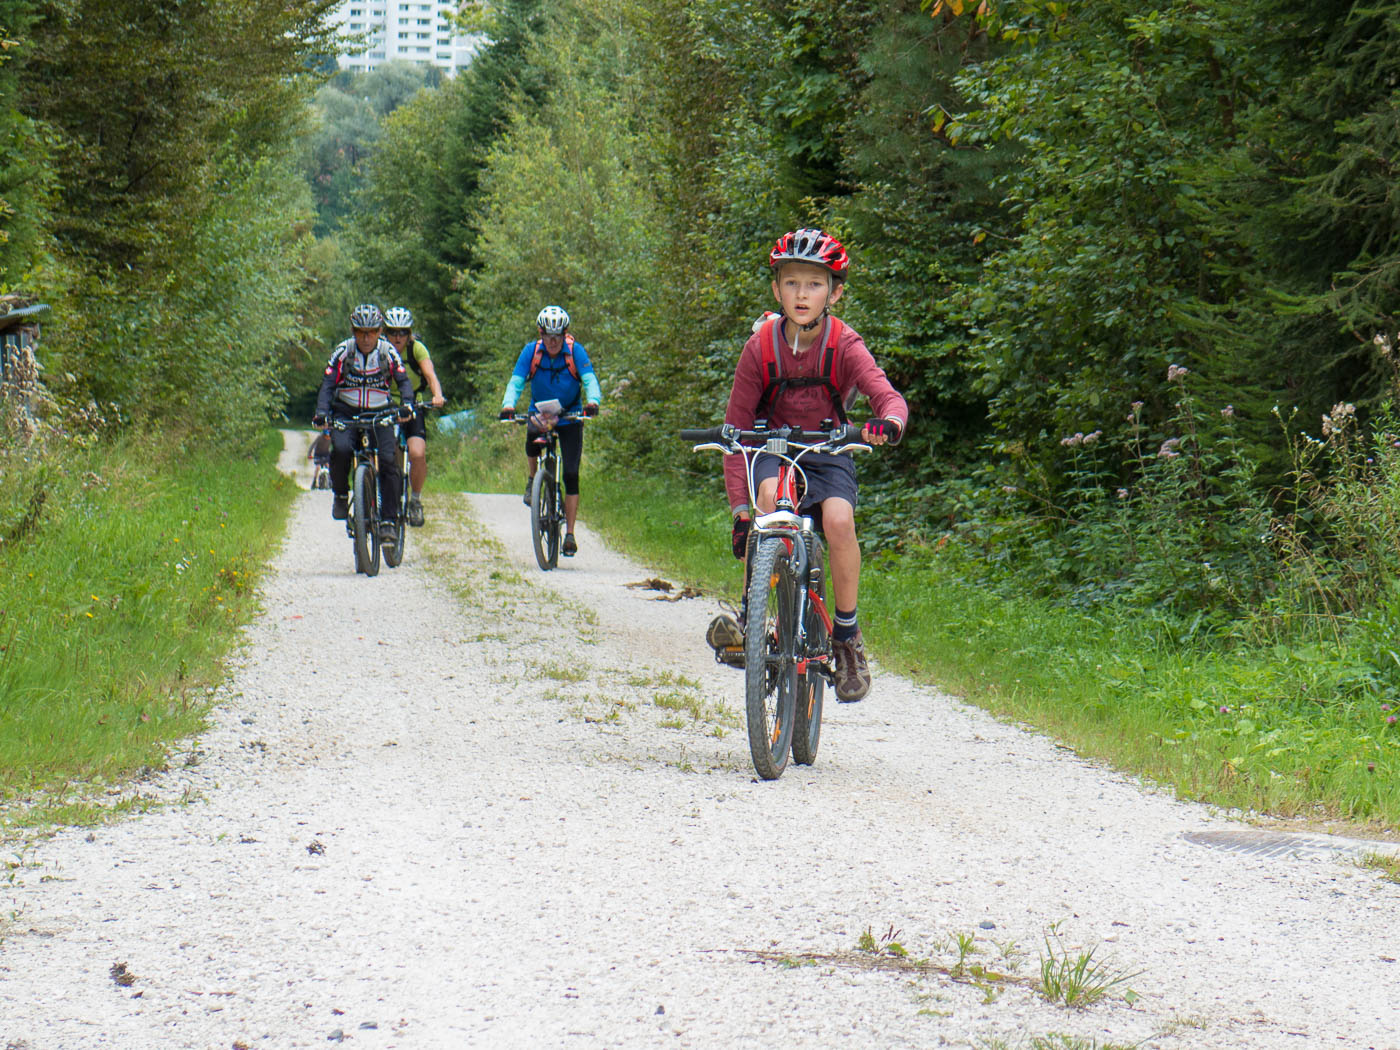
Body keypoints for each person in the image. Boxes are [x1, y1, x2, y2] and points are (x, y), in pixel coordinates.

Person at [707, 229, 908, 702]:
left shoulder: (845, 343)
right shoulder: (760, 348)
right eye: (791, 282)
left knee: (839, 521)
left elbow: (887, 396)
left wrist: (889, 421)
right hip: (773, 449)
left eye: (814, 284)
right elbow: (735, 435)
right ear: (776, 289)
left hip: (828, 451)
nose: (802, 294)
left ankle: (845, 637)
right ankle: (752, 617)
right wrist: (741, 514)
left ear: (834, 292)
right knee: (767, 499)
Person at [497, 305, 601, 557]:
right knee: (532, 439)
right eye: (548, 336)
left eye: (558, 336)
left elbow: (589, 379)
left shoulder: (575, 351)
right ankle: (533, 479)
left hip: (569, 416)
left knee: (572, 474)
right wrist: (508, 405)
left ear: (565, 333)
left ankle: (570, 534)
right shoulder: (531, 352)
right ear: (541, 333)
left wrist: (593, 402)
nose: (553, 342)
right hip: (541, 414)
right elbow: (516, 381)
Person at [312, 303, 416, 543]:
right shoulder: (343, 352)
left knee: (389, 460)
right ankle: (340, 495)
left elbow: (403, 381)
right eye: (360, 332)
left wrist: (407, 404)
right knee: (341, 450)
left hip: (380, 411)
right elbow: (328, 384)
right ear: (353, 331)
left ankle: (389, 520)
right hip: (346, 410)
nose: (366, 337)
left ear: (380, 331)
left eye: (371, 332)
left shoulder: (387, 352)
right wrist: (321, 412)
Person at [382, 306, 446, 527]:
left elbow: (429, 374)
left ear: (409, 334)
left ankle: (416, 500)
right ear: (385, 332)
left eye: (403, 332)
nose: (397, 337)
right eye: (392, 332)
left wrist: (437, 394)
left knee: (417, 454)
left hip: (413, 405)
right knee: (388, 457)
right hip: (386, 406)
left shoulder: (416, 349)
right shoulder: (379, 350)